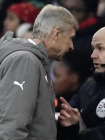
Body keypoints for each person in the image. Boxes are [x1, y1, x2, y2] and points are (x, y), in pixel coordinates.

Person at [0, 4, 78, 139]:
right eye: (70, 38)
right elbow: (12, 125)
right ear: (57, 33)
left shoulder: (35, 61)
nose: (71, 46)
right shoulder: (26, 61)